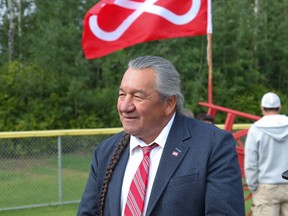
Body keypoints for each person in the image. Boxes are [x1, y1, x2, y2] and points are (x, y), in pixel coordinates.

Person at [77, 56, 245, 216]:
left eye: (137, 96)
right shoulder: (106, 152)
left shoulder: (212, 145)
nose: (125, 106)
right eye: (122, 95)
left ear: (169, 103)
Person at [244, 92, 288, 216]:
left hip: (266, 187)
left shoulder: (256, 129)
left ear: (262, 108)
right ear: (279, 107)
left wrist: (253, 186)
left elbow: (251, 162)